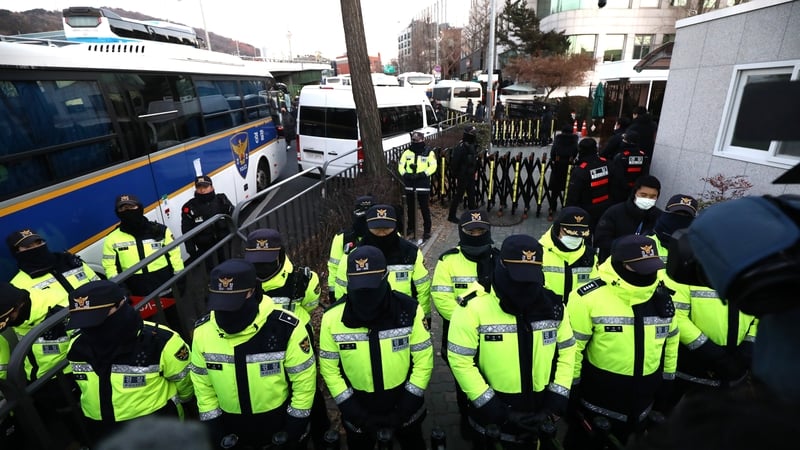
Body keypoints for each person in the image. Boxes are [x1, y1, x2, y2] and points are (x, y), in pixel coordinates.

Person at [447, 235, 576, 449]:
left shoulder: (553, 306)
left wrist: (557, 398)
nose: (523, 284)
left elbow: (567, 351)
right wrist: (493, 408)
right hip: (491, 423)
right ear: (501, 266)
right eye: (517, 276)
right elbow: (460, 360)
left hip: (539, 416)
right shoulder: (472, 307)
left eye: (530, 276)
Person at [564, 235, 678, 449]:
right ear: (620, 264)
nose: (648, 273)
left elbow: (670, 343)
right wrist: (572, 390)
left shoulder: (662, 297)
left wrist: (667, 383)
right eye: (640, 267)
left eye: (651, 266)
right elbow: (574, 349)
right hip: (597, 401)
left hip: (643, 402)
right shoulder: (587, 297)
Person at [190, 259, 316, 449]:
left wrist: (294, 427)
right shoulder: (203, 332)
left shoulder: (287, 328)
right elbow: (203, 387)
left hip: (278, 424)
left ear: (253, 292)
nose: (225, 311)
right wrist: (214, 428)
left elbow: (304, 382)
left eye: (233, 303)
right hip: (231, 431)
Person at [319, 245, 433, 450]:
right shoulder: (332, 319)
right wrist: (352, 410)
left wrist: (407, 405)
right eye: (360, 285)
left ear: (386, 276)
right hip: (358, 411)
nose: (366, 292)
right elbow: (329, 369)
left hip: (406, 408)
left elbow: (423, 360)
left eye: (371, 284)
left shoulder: (409, 310)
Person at [650, 195, 756, 406]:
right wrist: (710, 351)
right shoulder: (686, 265)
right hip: (691, 365)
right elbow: (675, 314)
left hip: (735, 372)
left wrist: (749, 346)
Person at [66, 280, 193, 445]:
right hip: (103, 431)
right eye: (83, 321)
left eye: (97, 318)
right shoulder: (76, 345)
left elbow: (185, 383)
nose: (90, 327)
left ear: (122, 305)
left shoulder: (161, 341)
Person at [242, 228, 330, 448]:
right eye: (257, 260)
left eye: (267, 259)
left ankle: (322, 434)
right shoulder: (243, 281)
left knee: (308, 389)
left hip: (298, 343)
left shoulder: (304, 279)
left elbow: (310, 305)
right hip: (259, 344)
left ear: (281, 254)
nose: (261, 266)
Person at [5, 228, 100, 382]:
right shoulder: (17, 287)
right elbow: (19, 321)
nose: (36, 248)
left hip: (95, 346)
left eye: (39, 242)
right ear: (17, 252)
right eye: (28, 247)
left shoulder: (69, 263)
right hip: (57, 369)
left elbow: (98, 285)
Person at [430, 210, 497, 422]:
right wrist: (470, 322)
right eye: (471, 231)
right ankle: (464, 416)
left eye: (480, 231)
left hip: (493, 334)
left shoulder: (500, 258)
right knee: (463, 378)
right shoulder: (447, 260)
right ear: (462, 232)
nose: (476, 235)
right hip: (458, 333)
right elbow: (441, 298)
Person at [334, 205, 432, 322]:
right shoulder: (353, 256)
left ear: (395, 226)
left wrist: (422, 316)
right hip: (363, 319)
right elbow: (342, 292)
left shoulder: (410, 253)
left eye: (386, 228)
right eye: (376, 229)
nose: (381, 233)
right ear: (368, 227)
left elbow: (422, 288)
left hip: (402, 316)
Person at [594, 175, 662, 263]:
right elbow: (601, 240)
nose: (648, 199)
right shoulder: (615, 212)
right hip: (614, 264)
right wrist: (626, 247)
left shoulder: (659, 217)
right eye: (643, 195)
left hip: (645, 265)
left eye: (652, 197)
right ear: (635, 193)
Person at [539, 206, 597, 303]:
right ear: (558, 228)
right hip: (548, 313)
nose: (575, 238)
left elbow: (595, 291)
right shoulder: (540, 252)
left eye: (580, 235)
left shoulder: (590, 257)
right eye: (570, 233)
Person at [327, 195, 374, 301]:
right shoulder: (342, 238)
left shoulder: (386, 236)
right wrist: (332, 291)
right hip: (346, 298)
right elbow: (334, 267)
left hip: (377, 297)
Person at [180, 175, 234, 263]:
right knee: (212, 272)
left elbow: (233, 217)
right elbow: (186, 230)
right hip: (205, 249)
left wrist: (236, 235)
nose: (202, 190)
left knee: (229, 267)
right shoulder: (189, 207)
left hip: (225, 243)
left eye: (205, 187)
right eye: (199, 187)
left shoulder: (221, 200)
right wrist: (192, 252)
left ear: (212, 187)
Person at [564, 138, 611, 234]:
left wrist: (567, 213)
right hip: (606, 205)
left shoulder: (581, 170)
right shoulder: (606, 163)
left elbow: (573, 195)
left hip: (587, 209)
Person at [398, 132, 437, 240]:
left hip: (422, 184)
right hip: (410, 184)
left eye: (417, 140)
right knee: (410, 208)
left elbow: (433, 166)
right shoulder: (406, 153)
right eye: (413, 140)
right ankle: (411, 227)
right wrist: (405, 174)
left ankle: (427, 230)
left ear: (422, 140)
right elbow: (401, 166)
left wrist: (423, 174)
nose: (415, 142)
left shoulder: (429, 152)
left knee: (424, 208)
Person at [448, 126, 480, 223]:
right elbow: (455, 162)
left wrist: (475, 171)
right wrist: (457, 175)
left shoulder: (472, 145)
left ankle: (474, 217)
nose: (474, 135)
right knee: (458, 196)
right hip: (463, 175)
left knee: (471, 196)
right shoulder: (461, 147)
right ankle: (451, 216)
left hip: (470, 174)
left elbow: (474, 160)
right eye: (472, 133)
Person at [547, 125, 579, 221]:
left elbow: (552, 153)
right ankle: (565, 206)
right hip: (569, 166)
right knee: (567, 187)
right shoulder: (574, 140)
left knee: (555, 189)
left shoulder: (558, 140)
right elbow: (576, 152)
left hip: (558, 165)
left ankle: (552, 207)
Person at [608, 130, 647, 204]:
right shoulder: (643, 156)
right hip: (636, 189)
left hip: (620, 192)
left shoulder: (621, 157)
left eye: (624, 139)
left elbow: (617, 176)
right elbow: (645, 173)